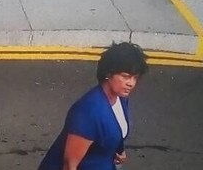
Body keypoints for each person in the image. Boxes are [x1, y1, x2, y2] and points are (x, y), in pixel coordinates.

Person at [38, 42, 149, 170]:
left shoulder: (121, 98)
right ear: (109, 73)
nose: (131, 83)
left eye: (135, 78)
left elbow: (116, 130)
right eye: (126, 77)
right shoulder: (88, 112)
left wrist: (119, 150)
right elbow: (69, 165)